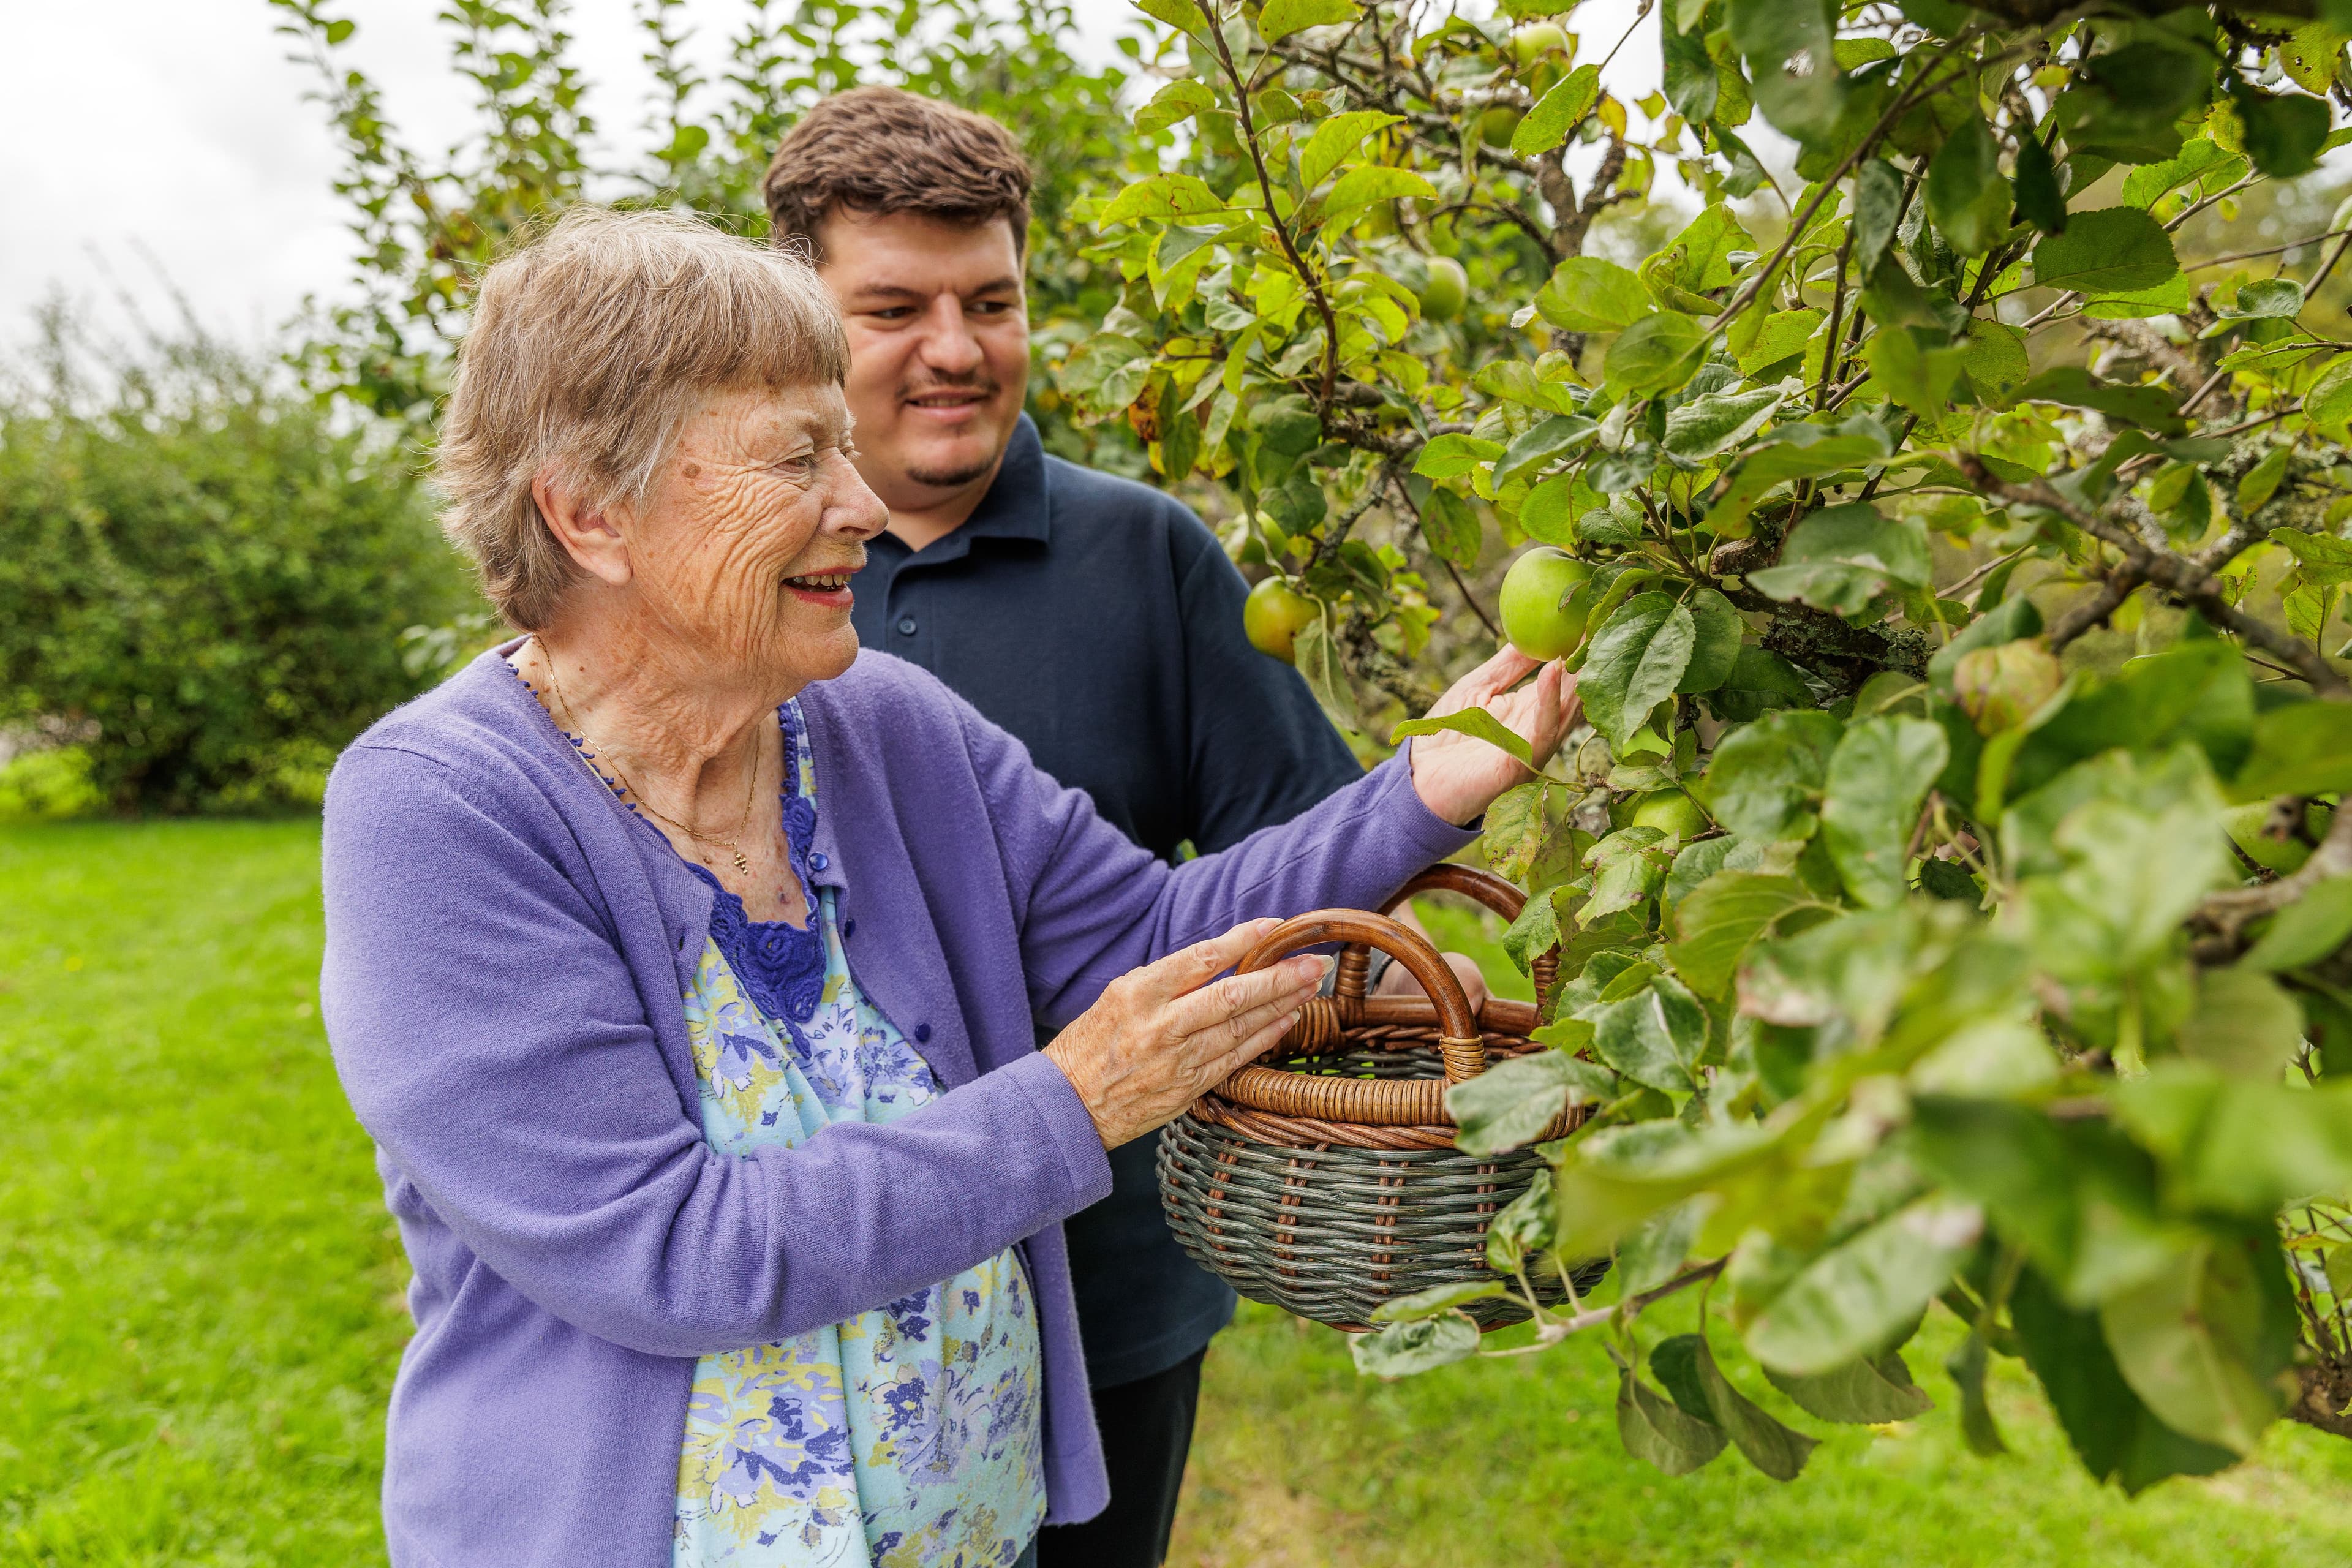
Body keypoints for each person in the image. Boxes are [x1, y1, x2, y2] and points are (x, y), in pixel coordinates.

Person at [318, 206, 1575, 1568]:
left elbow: (1150, 935)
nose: (860, 505)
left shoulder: (881, 722)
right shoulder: (440, 812)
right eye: (798, 457)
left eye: (841, 449)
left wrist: (1422, 787)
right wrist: (1076, 1103)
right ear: (588, 510)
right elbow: (668, 1246)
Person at [761, 87, 1487, 1566]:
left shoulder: (1143, 554)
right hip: (806, 1269)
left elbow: (1301, 867)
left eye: (993, 301)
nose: (956, 351)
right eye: (893, 308)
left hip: (1109, 1270)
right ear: (796, 320)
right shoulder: (738, 579)